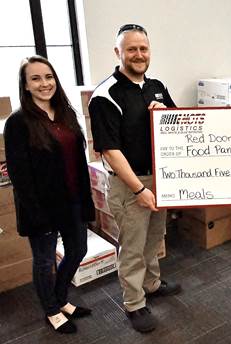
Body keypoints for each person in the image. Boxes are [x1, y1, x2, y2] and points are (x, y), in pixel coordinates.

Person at [88, 24, 181, 333]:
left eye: (143, 48)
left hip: (161, 178)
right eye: (132, 49)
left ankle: (152, 284)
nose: (139, 54)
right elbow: (111, 152)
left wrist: (165, 110)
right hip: (130, 185)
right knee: (132, 246)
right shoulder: (106, 95)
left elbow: (179, 122)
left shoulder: (156, 85)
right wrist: (140, 188)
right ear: (118, 53)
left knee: (154, 238)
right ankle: (134, 303)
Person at [4, 56, 95, 333]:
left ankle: (60, 298)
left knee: (78, 249)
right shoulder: (18, 122)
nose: (44, 83)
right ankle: (52, 310)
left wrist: (86, 198)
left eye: (48, 77)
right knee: (44, 261)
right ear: (26, 85)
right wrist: (36, 213)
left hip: (73, 200)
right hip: (41, 207)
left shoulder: (66, 113)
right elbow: (20, 176)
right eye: (36, 78)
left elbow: (78, 160)